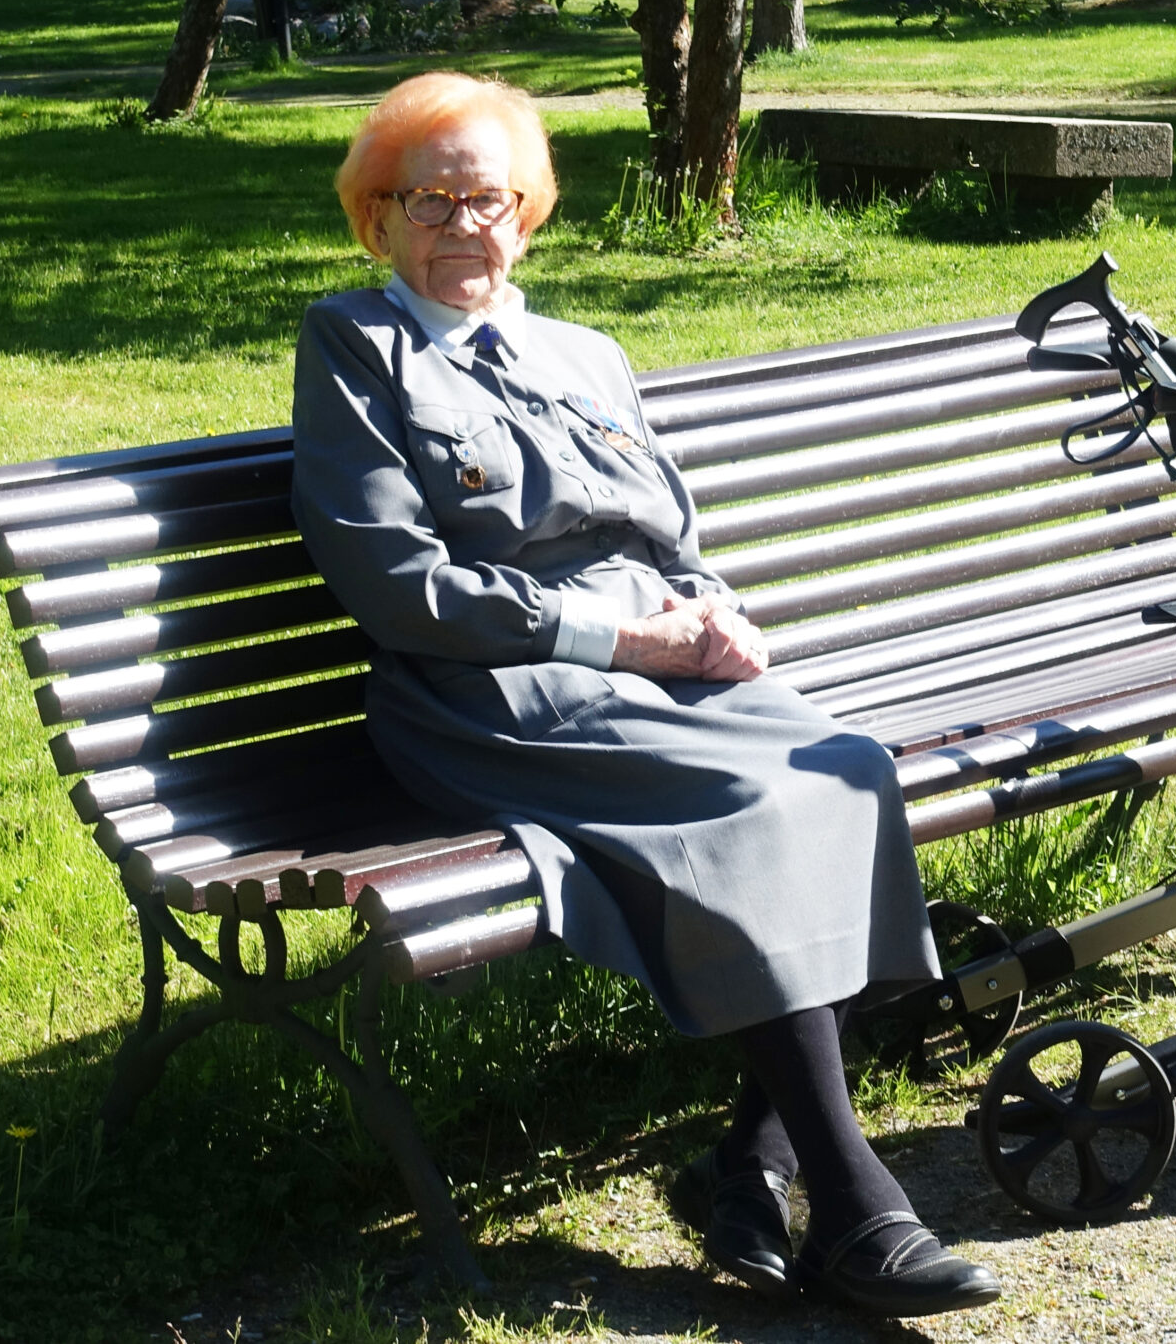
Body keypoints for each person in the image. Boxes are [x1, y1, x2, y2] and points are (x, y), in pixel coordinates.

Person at [288, 72, 1000, 1318]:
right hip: (492, 692)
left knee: (847, 772)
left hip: (653, 659)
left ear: (527, 213)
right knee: (750, 806)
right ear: (378, 218)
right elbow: (396, 584)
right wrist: (619, 640)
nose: (459, 224)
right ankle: (853, 1207)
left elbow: (670, 537)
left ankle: (746, 1165)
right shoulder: (358, 347)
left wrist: (712, 614)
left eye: (486, 198)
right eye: (427, 200)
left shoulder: (586, 354)